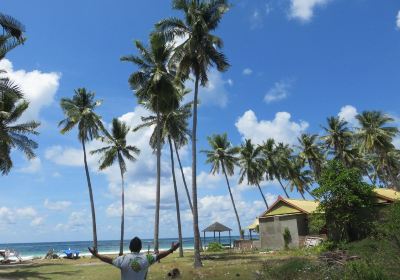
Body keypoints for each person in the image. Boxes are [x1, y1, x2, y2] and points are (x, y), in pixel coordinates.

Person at [88, 237, 180, 280]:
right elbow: (160, 255)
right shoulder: (147, 258)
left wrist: (96, 254)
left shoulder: (123, 259)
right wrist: (172, 249)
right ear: (140, 248)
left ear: (129, 248)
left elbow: (108, 259)